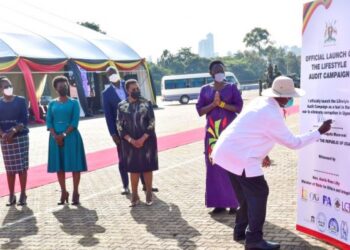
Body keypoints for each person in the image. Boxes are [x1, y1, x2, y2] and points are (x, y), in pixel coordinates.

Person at [212, 76, 332, 250]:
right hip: (240, 156)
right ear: (282, 97)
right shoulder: (271, 113)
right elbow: (293, 143)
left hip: (227, 152)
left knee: (246, 196)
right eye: (290, 96)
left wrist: (263, 153)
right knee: (259, 192)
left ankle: (240, 231)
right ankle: (253, 239)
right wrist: (319, 132)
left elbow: (253, 130)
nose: (291, 99)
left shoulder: (260, 102)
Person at [196, 60, 243, 214]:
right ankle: (219, 203)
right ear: (211, 73)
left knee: (230, 165)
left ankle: (234, 203)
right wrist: (213, 105)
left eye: (221, 70)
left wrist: (222, 105)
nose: (219, 73)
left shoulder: (231, 88)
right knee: (214, 165)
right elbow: (200, 111)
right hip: (212, 134)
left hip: (229, 132)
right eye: (216, 70)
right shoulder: (204, 90)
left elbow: (239, 107)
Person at [102, 66, 158, 195]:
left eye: (114, 72)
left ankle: (146, 185)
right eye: (109, 74)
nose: (112, 75)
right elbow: (109, 116)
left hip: (140, 129)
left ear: (117, 73)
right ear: (107, 77)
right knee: (123, 159)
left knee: (143, 157)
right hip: (123, 133)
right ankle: (125, 185)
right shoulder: (106, 94)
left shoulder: (130, 85)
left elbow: (143, 105)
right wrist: (113, 134)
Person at [46, 76, 87, 205]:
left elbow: (75, 121)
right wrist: (55, 136)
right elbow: (49, 121)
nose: (63, 87)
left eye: (65, 85)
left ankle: (75, 191)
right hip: (54, 138)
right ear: (56, 88)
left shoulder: (74, 102)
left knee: (75, 166)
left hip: (71, 136)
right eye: (60, 86)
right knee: (60, 167)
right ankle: (64, 192)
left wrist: (63, 135)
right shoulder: (51, 103)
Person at [117, 79, 158, 207]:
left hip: (147, 141)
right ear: (127, 90)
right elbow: (119, 126)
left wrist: (142, 139)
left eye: (137, 88)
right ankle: (134, 195)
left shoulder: (146, 103)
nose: (136, 91)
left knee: (147, 168)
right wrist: (131, 140)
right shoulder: (121, 105)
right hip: (129, 143)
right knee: (133, 170)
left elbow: (152, 122)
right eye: (133, 89)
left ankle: (149, 193)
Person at [0, 76, 29, 206]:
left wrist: (13, 131)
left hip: (20, 138)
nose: (8, 88)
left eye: (10, 85)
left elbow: (24, 120)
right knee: (10, 169)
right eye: (5, 86)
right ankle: (11, 195)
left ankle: (23, 193)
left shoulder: (21, 101)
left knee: (22, 168)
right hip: (5, 139)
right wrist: (3, 135)